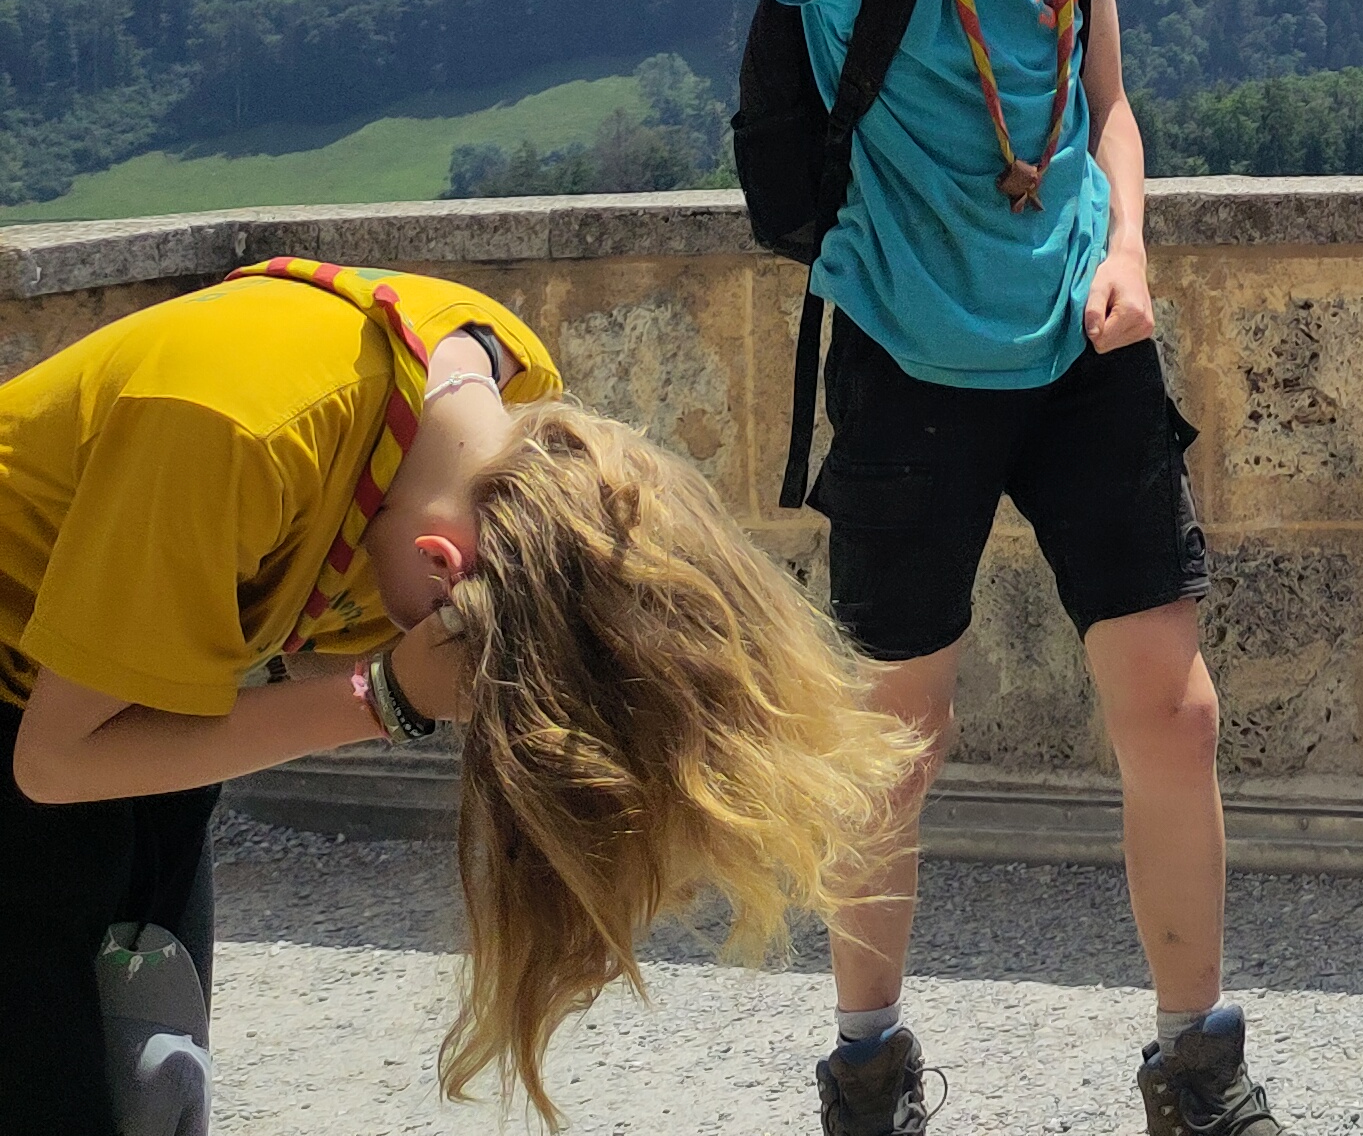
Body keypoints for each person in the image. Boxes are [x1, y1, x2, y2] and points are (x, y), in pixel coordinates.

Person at [2, 259, 913, 1132]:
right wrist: (384, 698)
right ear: (443, 566)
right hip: (46, 715)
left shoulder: (501, 394)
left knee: (154, 1081)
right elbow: (53, 763)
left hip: (141, 689)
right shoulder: (235, 438)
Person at [770, 0, 1284, 1136]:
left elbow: (1110, 107)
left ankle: (1197, 1064)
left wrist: (1127, 244)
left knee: (1174, 714)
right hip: (909, 360)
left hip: (1083, 345)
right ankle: (868, 1062)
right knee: (896, 739)